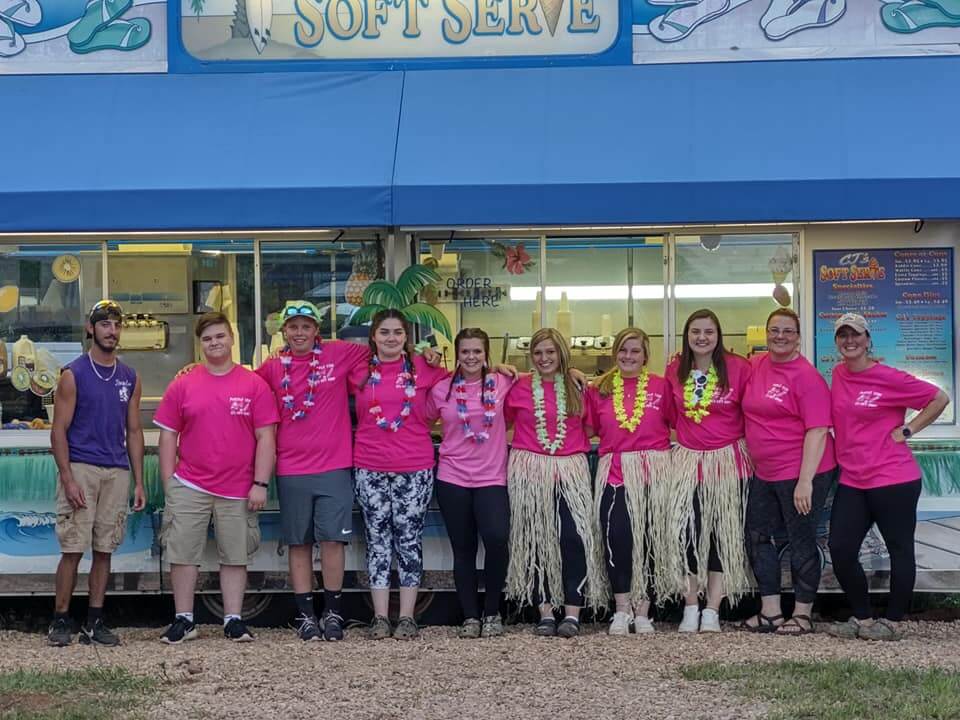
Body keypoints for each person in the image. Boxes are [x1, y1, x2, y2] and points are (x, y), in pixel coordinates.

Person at [155, 312, 278, 644]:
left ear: (232, 338)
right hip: (190, 482)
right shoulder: (183, 384)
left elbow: (267, 437)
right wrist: (170, 482)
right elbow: (167, 436)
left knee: (235, 554)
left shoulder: (254, 385)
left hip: (239, 486)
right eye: (208, 338)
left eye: (220, 336)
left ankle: (233, 619)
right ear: (201, 344)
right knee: (182, 553)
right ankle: (184, 620)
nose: (215, 343)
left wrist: (260, 483)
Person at [826, 313, 949, 641]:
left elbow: (939, 398)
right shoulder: (838, 374)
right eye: (843, 335)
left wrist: (908, 430)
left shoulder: (888, 377)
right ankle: (863, 619)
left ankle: (893, 623)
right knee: (840, 547)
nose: (849, 341)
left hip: (893, 478)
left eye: (856, 335)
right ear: (837, 341)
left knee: (899, 549)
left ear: (868, 340)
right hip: (853, 478)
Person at [255, 300, 372, 642]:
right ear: (284, 332)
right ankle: (306, 615)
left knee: (333, 541)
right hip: (291, 468)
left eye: (306, 326)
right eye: (293, 327)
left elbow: (383, 351)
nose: (300, 332)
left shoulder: (339, 352)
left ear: (317, 330)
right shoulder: (273, 366)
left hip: (335, 465)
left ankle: (333, 612)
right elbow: (244, 387)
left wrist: (426, 355)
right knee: (299, 543)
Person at [47, 300, 145, 647]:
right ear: (91, 329)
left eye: (116, 325)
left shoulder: (129, 376)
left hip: (116, 469)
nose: (111, 331)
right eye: (104, 324)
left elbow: (134, 431)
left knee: (105, 549)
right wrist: (67, 477)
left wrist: (139, 480)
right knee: (73, 548)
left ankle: (95, 620)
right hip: (82, 466)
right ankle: (60, 619)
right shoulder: (74, 374)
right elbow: (58, 430)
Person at [349, 309, 449, 641]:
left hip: (415, 466)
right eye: (384, 332)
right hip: (370, 465)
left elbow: (465, 379)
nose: (391, 338)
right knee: (377, 541)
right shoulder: (359, 370)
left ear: (407, 337)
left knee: (408, 540)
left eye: (397, 332)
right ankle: (379, 617)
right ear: (373, 337)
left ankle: (406, 616)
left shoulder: (425, 367)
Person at [504, 327, 606, 639]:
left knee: (573, 539)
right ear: (530, 357)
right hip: (529, 469)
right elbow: (504, 423)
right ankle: (545, 611)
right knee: (536, 539)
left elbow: (592, 429)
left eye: (550, 352)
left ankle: (573, 612)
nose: (544, 358)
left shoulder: (578, 386)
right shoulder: (518, 386)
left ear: (562, 353)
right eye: (538, 353)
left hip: (569, 468)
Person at [741, 308, 837, 635]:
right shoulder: (756, 365)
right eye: (774, 330)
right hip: (765, 472)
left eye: (787, 331)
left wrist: (805, 481)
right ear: (765, 334)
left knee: (801, 539)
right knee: (756, 536)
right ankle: (770, 611)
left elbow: (818, 430)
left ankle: (802, 613)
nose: (780, 336)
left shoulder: (806, 377)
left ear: (798, 337)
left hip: (804, 471)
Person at [662, 309, 752, 633]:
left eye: (709, 332)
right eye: (696, 332)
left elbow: (751, 412)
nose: (702, 337)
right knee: (687, 535)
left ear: (719, 335)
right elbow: (670, 416)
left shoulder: (739, 368)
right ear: (687, 336)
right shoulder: (675, 369)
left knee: (720, 538)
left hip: (728, 463)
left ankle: (712, 609)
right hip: (689, 464)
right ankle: (690, 606)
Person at [585, 327, 674, 636]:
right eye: (623, 350)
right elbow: (592, 429)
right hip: (616, 473)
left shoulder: (662, 387)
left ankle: (643, 611)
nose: (628, 356)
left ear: (645, 356)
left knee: (649, 541)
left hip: (653, 472)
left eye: (635, 351)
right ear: (615, 354)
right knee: (618, 539)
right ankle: (621, 610)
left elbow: (677, 423)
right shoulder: (600, 389)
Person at [428, 328, 514, 639]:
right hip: (452, 477)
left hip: (492, 477)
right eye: (465, 351)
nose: (471, 357)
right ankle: (470, 616)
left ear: (486, 353)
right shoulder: (442, 390)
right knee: (462, 549)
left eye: (477, 351)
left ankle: (492, 611)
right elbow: (422, 419)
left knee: (496, 539)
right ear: (457, 354)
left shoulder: (502, 382)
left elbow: (540, 378)